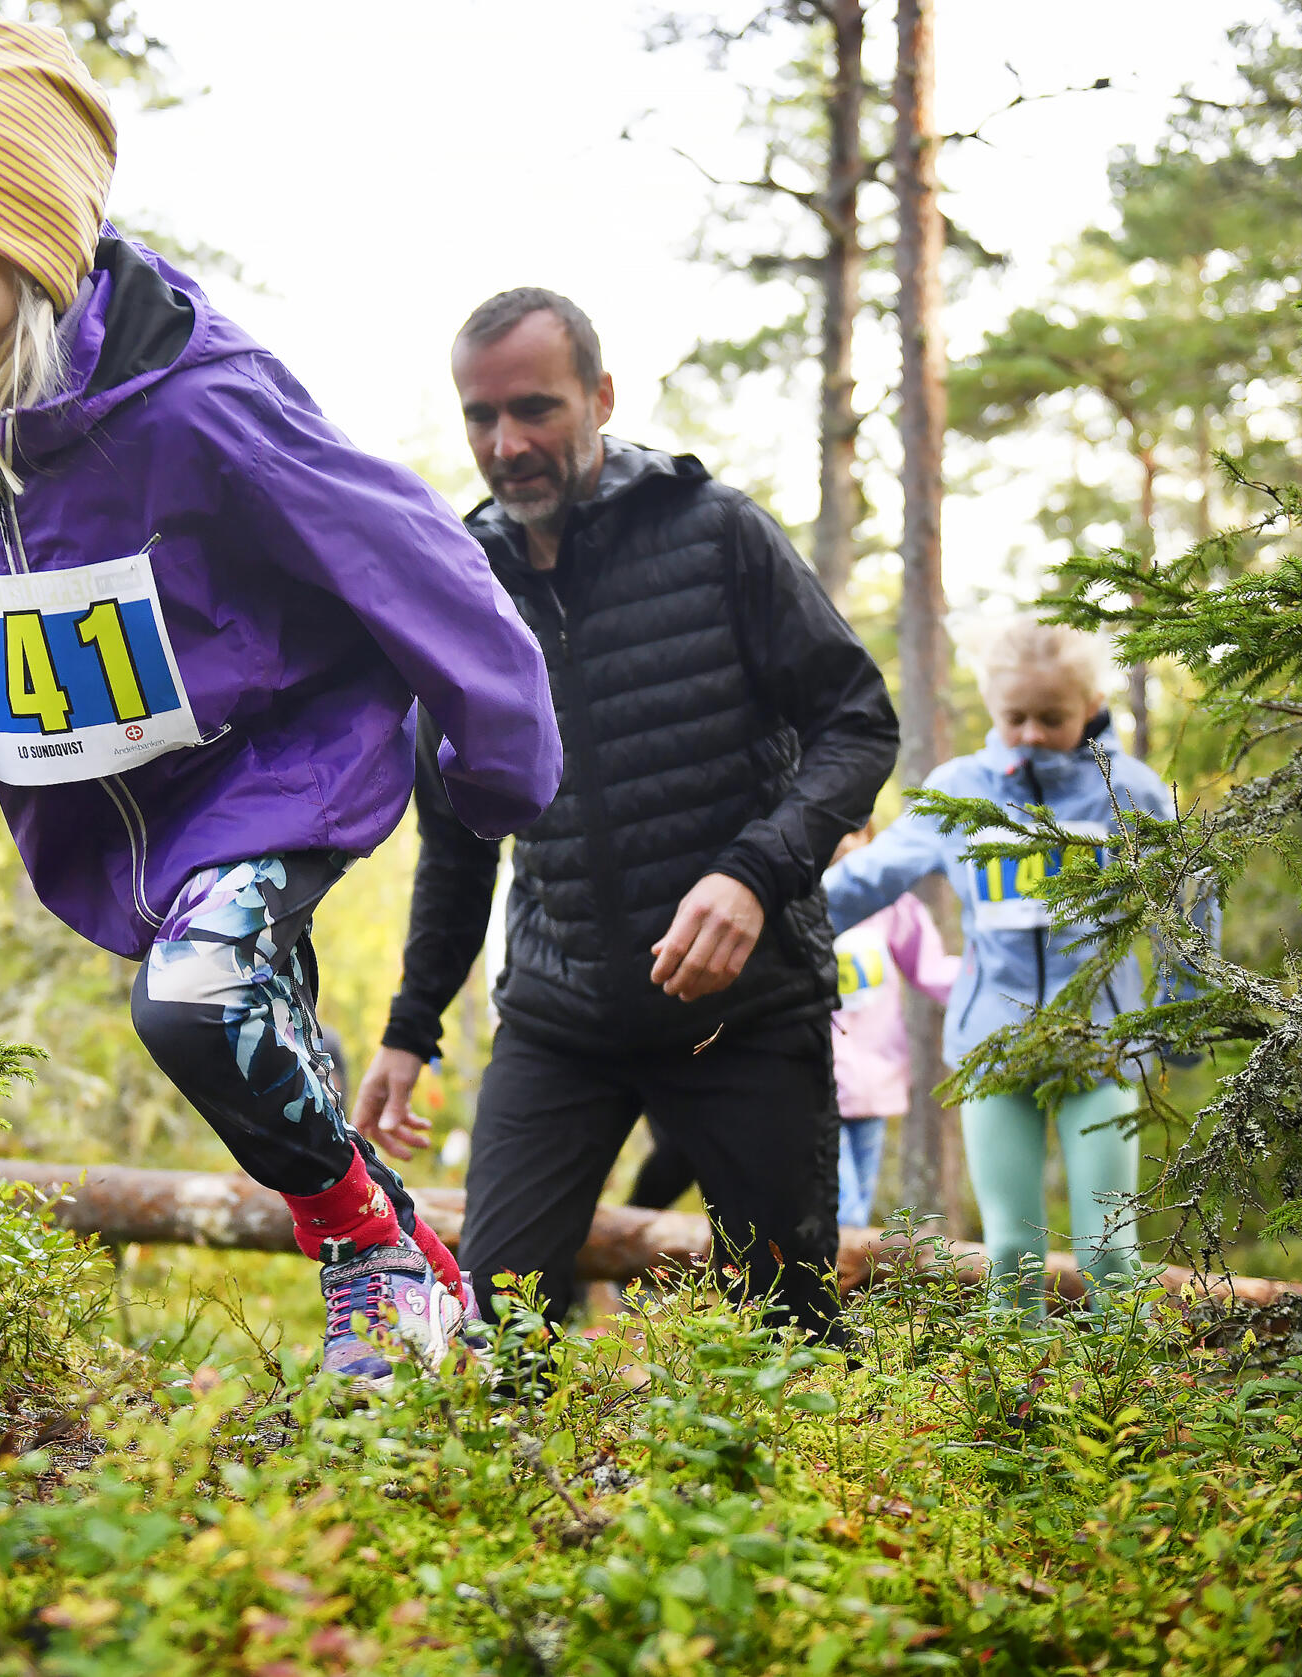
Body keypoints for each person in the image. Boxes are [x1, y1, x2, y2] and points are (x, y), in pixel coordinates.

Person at [0, 17, 562, 1390]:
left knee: (197, 999)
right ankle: (426, 1301)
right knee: (245, 1030)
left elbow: (412, 555)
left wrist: (494, 762)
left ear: (13, 229)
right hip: (119, 833)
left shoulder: (197, 400)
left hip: (278, 771)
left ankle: (369, 1250)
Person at [351, 288, 900, 1338]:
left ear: (599, 398)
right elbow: (459, 840)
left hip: (742, 1015)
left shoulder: (718, 536)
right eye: (480, 416)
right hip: (560, 1023)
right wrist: (409, 1031)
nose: (505, 445)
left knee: (788, 1330)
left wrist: (753, 872)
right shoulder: (462, 586)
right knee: (496, 1326)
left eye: (535, 410)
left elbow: (858, 724)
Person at [822, 617, 1218, 1305]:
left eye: (1052, 717)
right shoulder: (962, 791)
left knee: (1111, 1252)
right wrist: (777, 917)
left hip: (1100, 1050)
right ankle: (1017, 1399)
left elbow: (1188, 899)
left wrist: (1183, 1016)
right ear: (992, 706)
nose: (1032, 732)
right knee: (1011, 1249)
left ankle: (1125, 1394)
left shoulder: (1130, 792)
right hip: (993, 1051)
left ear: (1092, 706)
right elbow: (867, 878)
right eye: (1016, 717)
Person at [627, 823, 958, 1230]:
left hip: (874, 1087)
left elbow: (933, 970)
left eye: (856, 833)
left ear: (871, 839)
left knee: (856, 1211)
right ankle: (825, 1286)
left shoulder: (895, 909)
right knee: (842, 1211)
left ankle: (839, 1289)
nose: (845, 843)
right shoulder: (789, 905)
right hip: (815, 1078)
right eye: (836, 833)